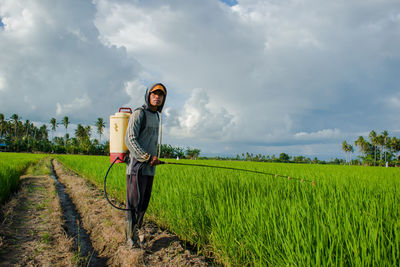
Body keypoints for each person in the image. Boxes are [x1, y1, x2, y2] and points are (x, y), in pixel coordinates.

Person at [124, 83, 167, 248]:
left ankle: (137, 231)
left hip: (150, 169)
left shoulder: (156, 116)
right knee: (134, 202)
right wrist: (147, 157)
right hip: (137, 167)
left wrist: (152, 160)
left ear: (164, 98)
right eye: (154, 94)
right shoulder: (139, 113)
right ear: (148, 95)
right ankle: (130, 239)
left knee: (144, 203)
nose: (157, 97)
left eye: (160, 95)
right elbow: (130, 139)